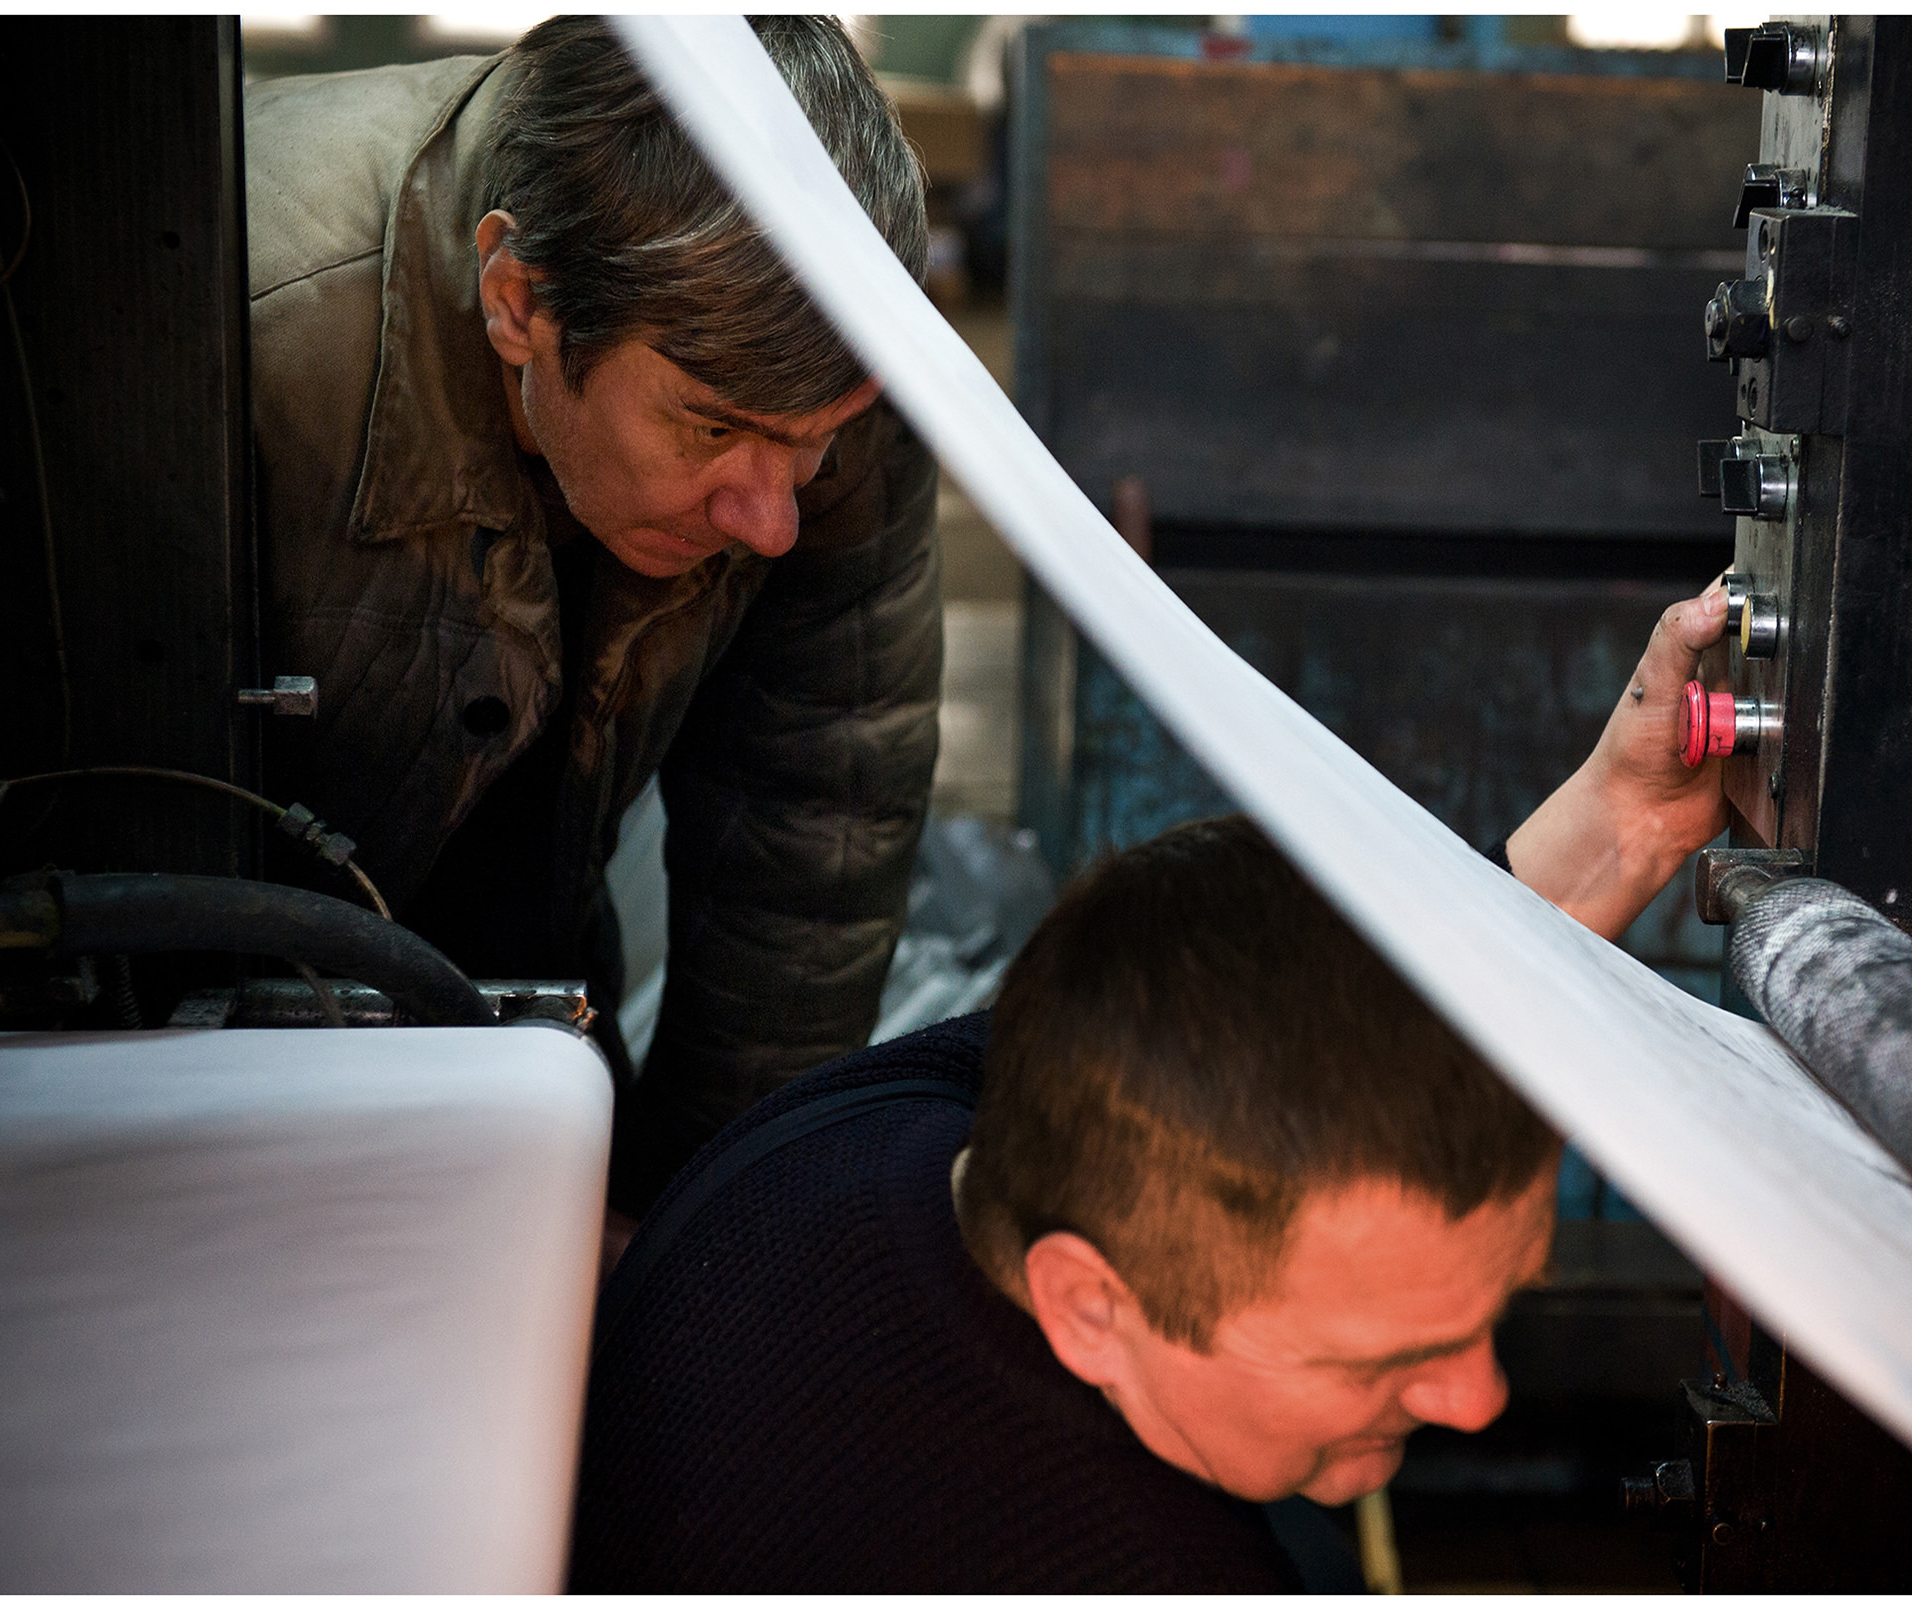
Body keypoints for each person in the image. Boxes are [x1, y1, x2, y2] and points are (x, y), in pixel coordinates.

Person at [568, 586, 1732, 1590]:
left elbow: (1292, 1013)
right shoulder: (1134, 1570)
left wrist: (1621, 828)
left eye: (1488, 1313)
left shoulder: (867, 1123)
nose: (1479, 1399)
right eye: (1379, 1357)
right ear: (1086, 1302)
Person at [242, 17, 940, 1213]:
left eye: (811, 449)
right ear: (521, 301)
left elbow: (816, 808)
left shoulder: (835, 359)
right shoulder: (223, 329)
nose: (774, 521)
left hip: (538, 983)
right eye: (712, 428)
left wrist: (696, 1213)